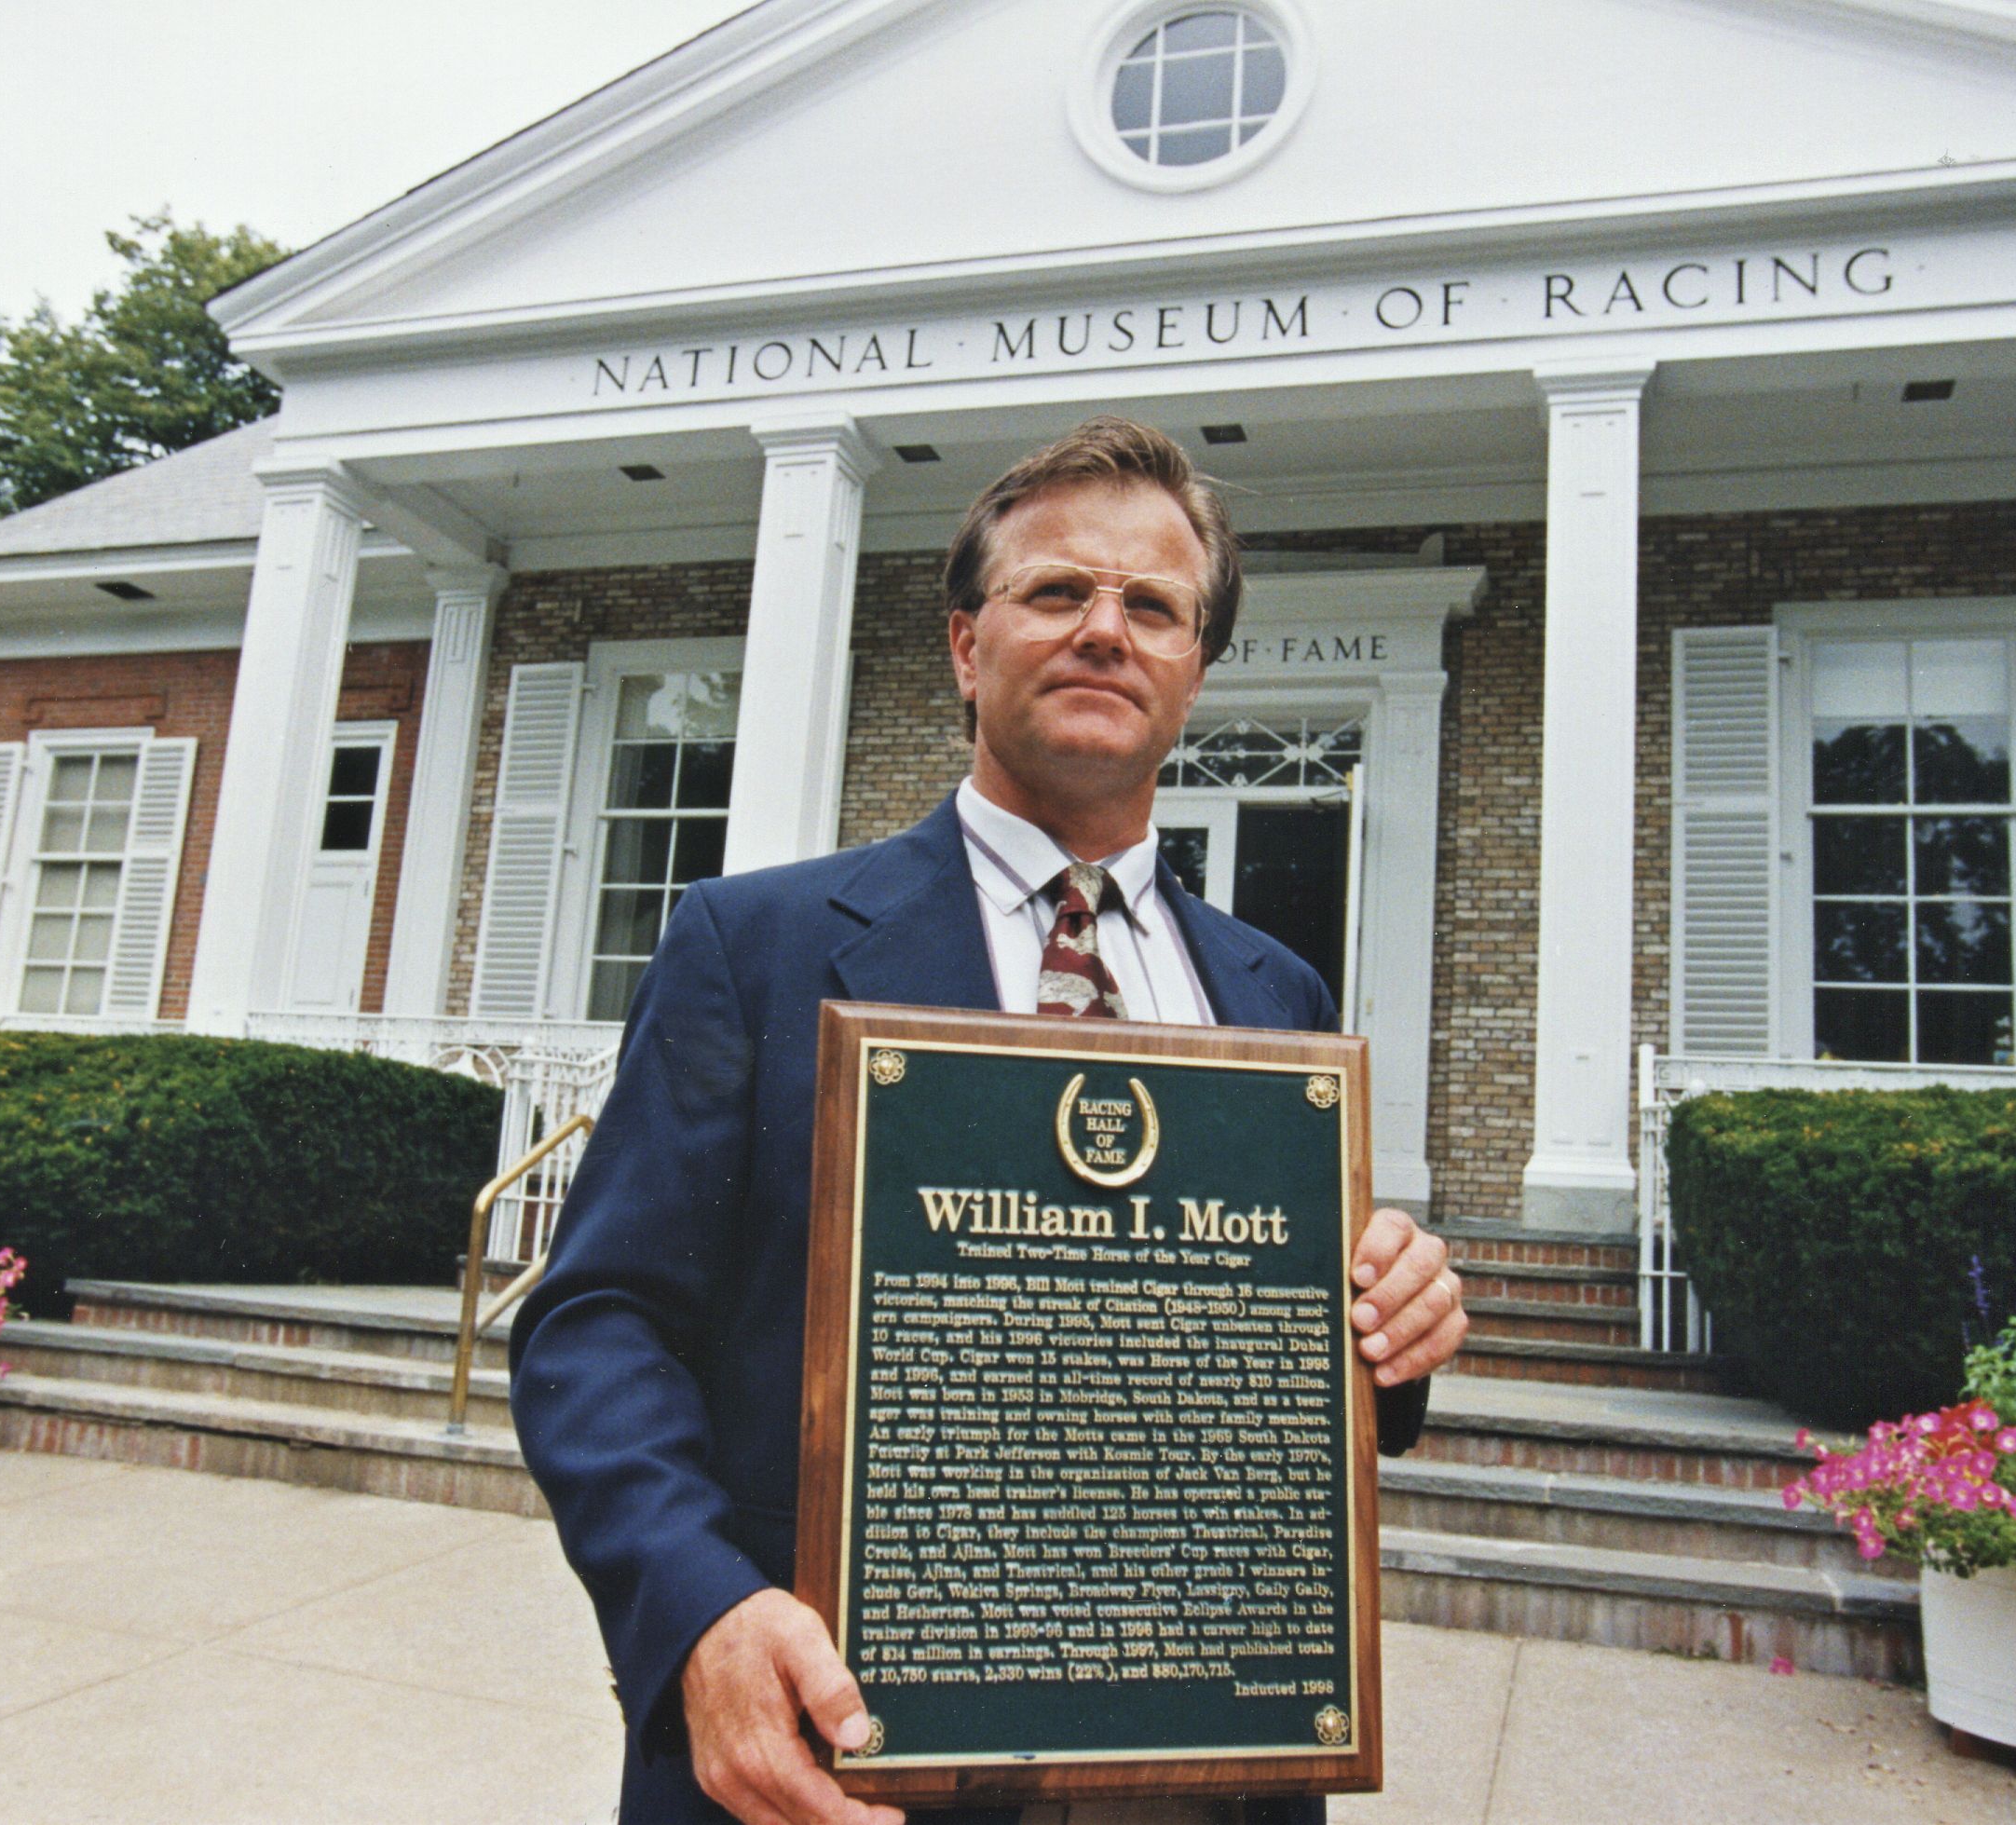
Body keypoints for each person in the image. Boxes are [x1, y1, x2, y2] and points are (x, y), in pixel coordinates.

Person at [510, 417, 1469, 1825]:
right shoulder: (754, 946)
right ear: (967, 647)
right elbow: (596, 1320)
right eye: (1056, 591)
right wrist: (698, 1613)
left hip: (1211, 1761)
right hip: (847, 1751)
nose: (1106, 629)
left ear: (1194, 669)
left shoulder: (1277, 991)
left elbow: (1279, 1357)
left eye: (1153, 606)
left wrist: (1396, 1323)